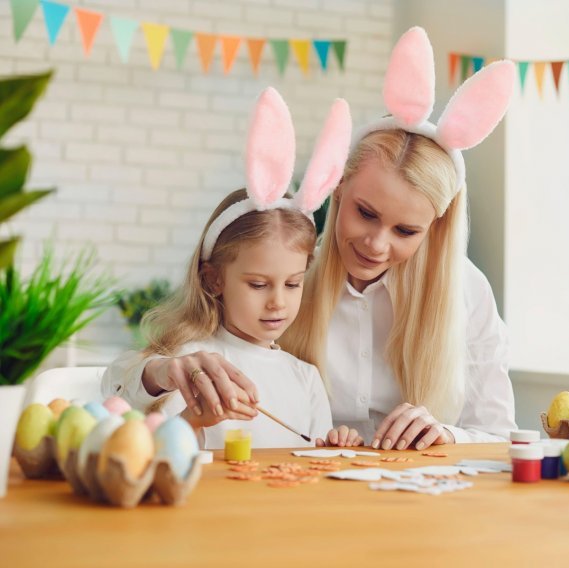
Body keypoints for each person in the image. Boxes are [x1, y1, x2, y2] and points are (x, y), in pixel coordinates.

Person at [105, 27, 518, 451]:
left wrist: (446, 434)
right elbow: (124, 382)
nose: (376, 244)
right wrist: (164, 372)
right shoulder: (288, 270)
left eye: (406, 231)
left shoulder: (464, 292)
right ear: (337, 187)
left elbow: (500, 437)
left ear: (436, 226)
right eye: (366, 213)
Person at [101, 89, 363, 448]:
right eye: (258, 284)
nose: (277, 302)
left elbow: (311, 466)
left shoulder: (306, 378)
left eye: (292, 284)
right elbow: (150, 436)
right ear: (213, 279)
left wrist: (336, 445)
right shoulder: (195, 363)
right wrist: (190, 414)